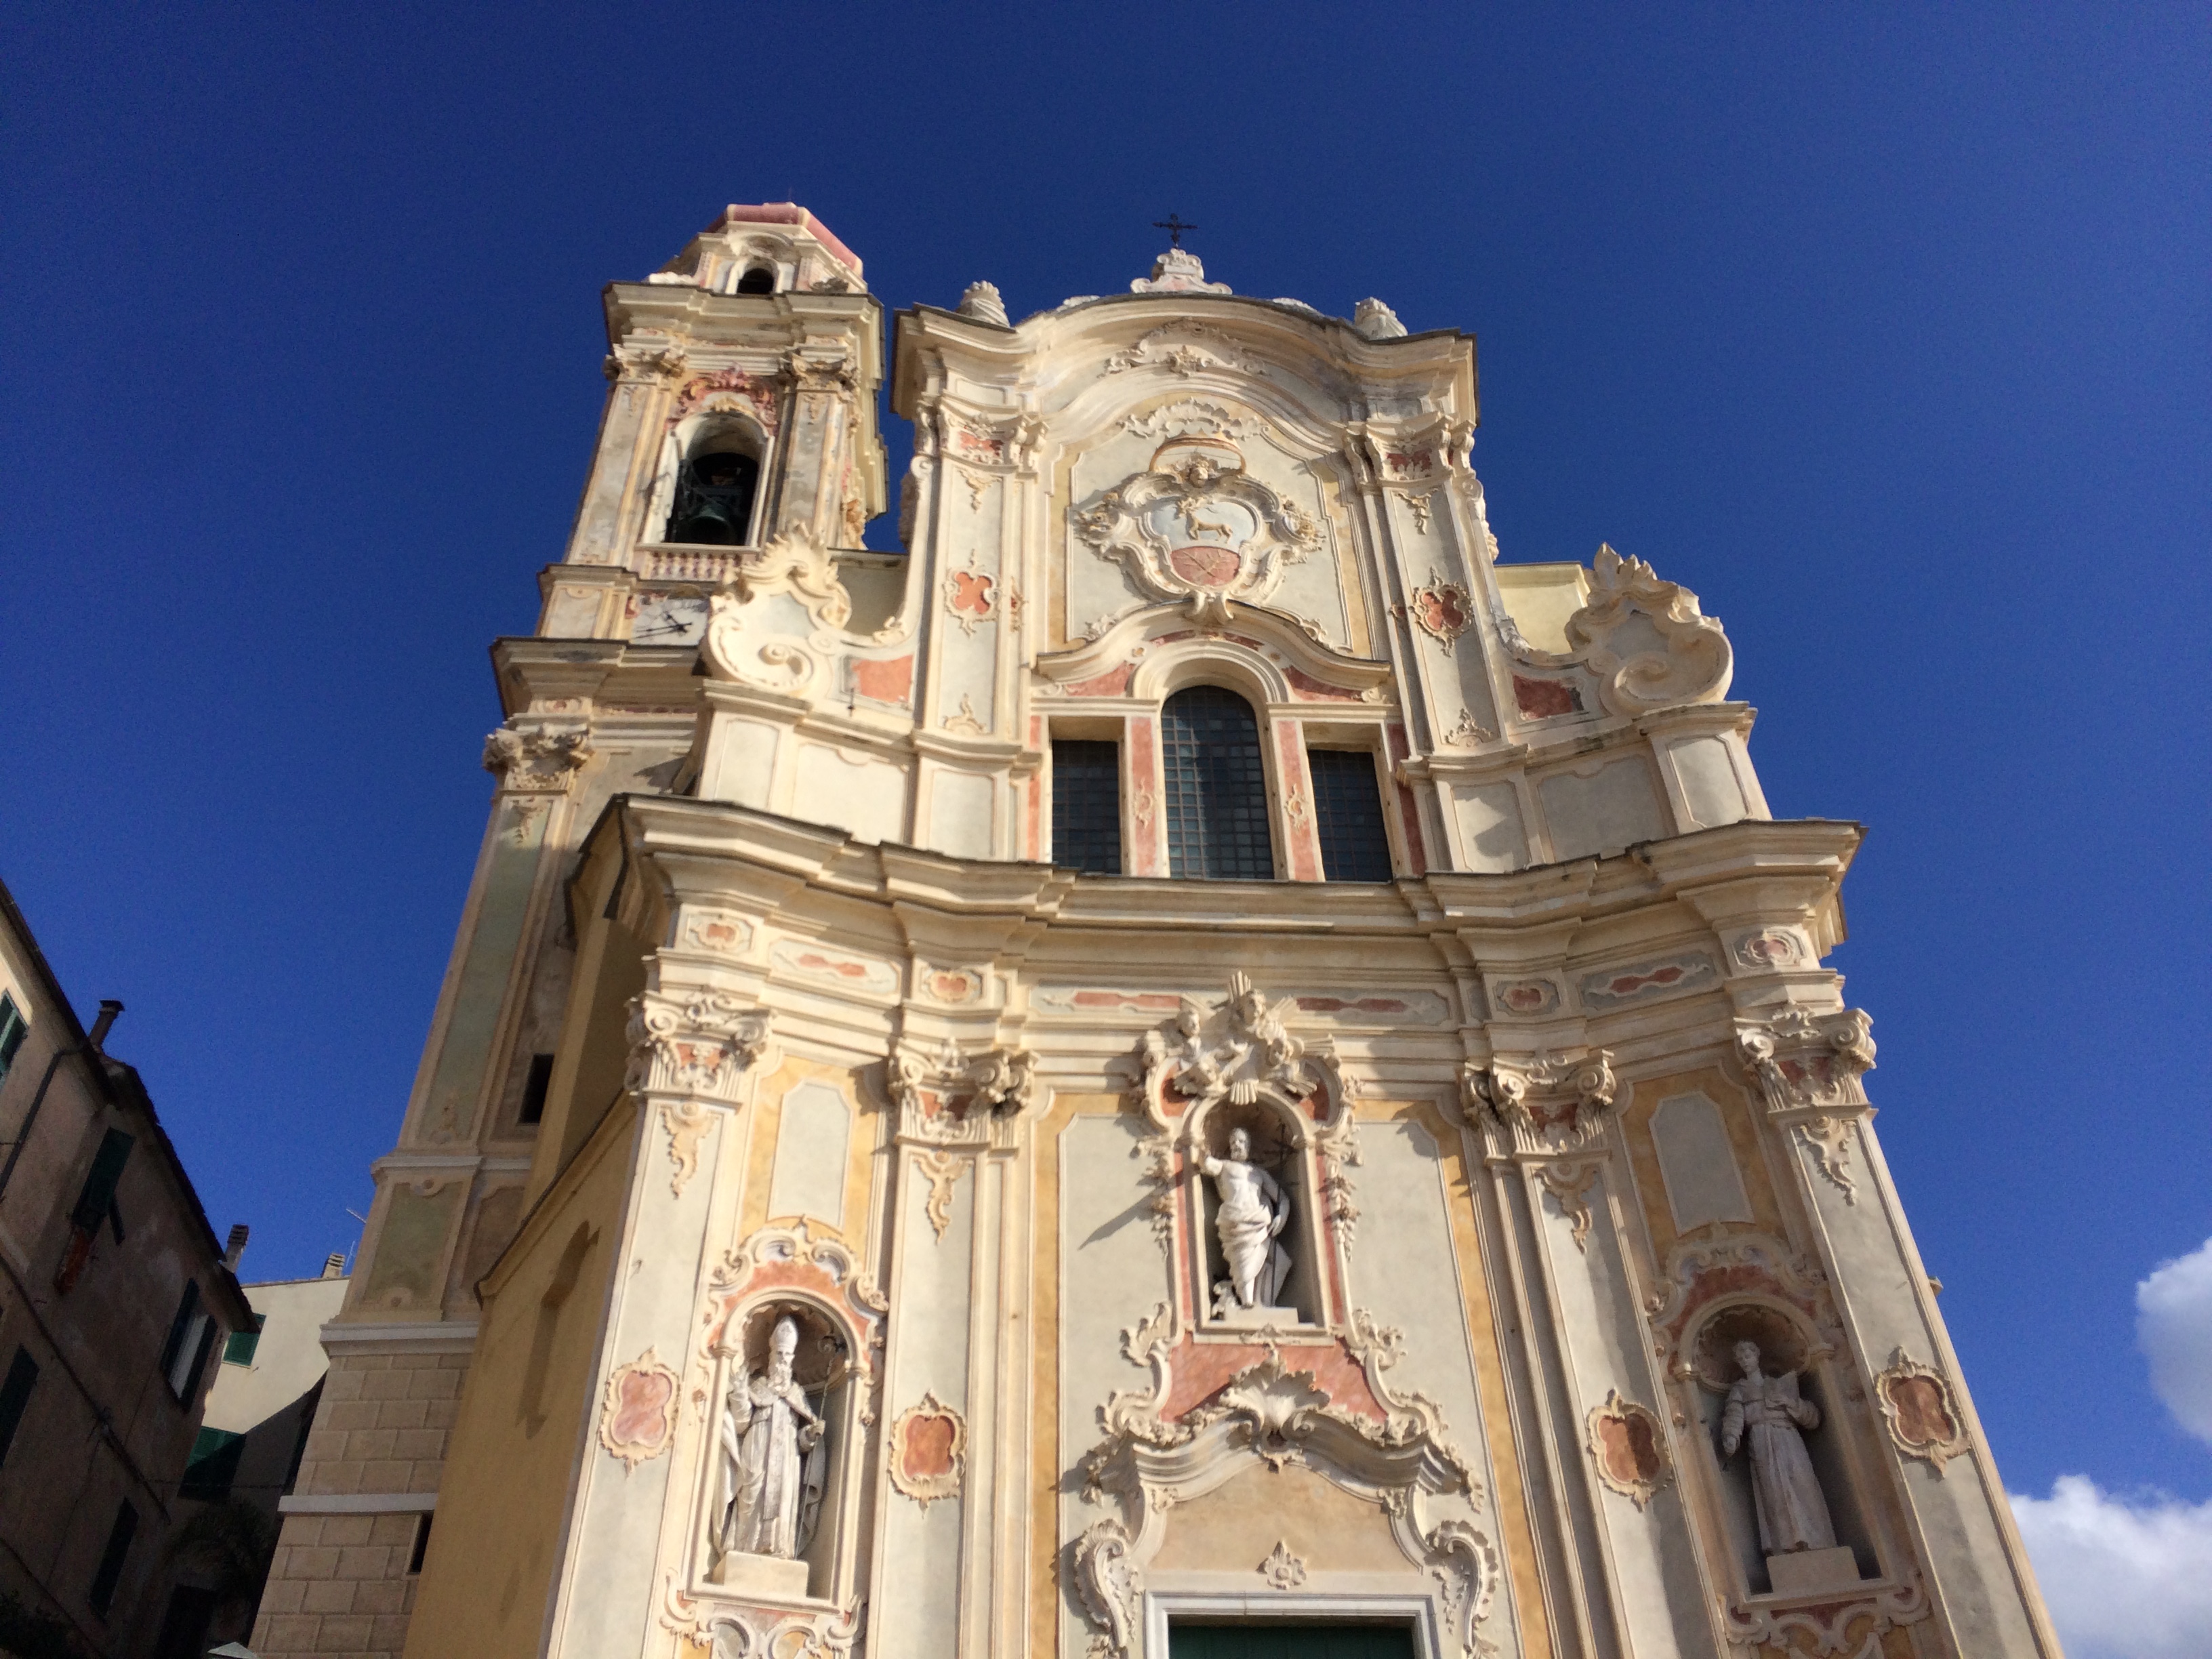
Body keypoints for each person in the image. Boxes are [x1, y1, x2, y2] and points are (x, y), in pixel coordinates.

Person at [718, 1315, 825, 1560]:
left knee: (784, 1500)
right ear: (771, 1357)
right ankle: (744, 1548)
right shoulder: (759, 1387)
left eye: (787, 1356)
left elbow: (802, 1440)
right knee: (751, 1494)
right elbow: (741, 1423)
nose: (783, 1360)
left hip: (787, 1456)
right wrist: (740, 1392)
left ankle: (778, 1549)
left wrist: (810, 1435)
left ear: (792, 1359)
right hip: (758, 1448)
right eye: (779, 1355)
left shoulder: (796, 1393)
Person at [1720, 1338, 1837, 1555]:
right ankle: (1786, 1547)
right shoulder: (1740, 1390)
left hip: (1788, 1438)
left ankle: (1818, 1540)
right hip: (1762, 1442)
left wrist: (1791, 1403)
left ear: (1757, 1356)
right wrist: (1731, 1436)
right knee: (1774, 1493)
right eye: (1741, 1359)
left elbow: (1812, 1418)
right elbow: (1734, 1416)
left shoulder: (1778, 1384)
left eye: (1748, 1356)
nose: (1745, 1361)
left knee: (1803, 1483)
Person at [1200, 1126, 1292, 1312]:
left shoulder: (1259, 1173)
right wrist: (1196, 1145)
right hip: (1237, 1222)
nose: (1237, 1145)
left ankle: (1264, 1304)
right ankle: (1247, 1305)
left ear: (1248, 1146)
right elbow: (1207, 1164)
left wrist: (1281, 1217)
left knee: (1282, 1262)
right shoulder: (1225, 1166)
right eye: (1233, 1141)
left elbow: (1282, 1198)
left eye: (1241, 1141)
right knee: (1245, 1267)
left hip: (1259, 1223)